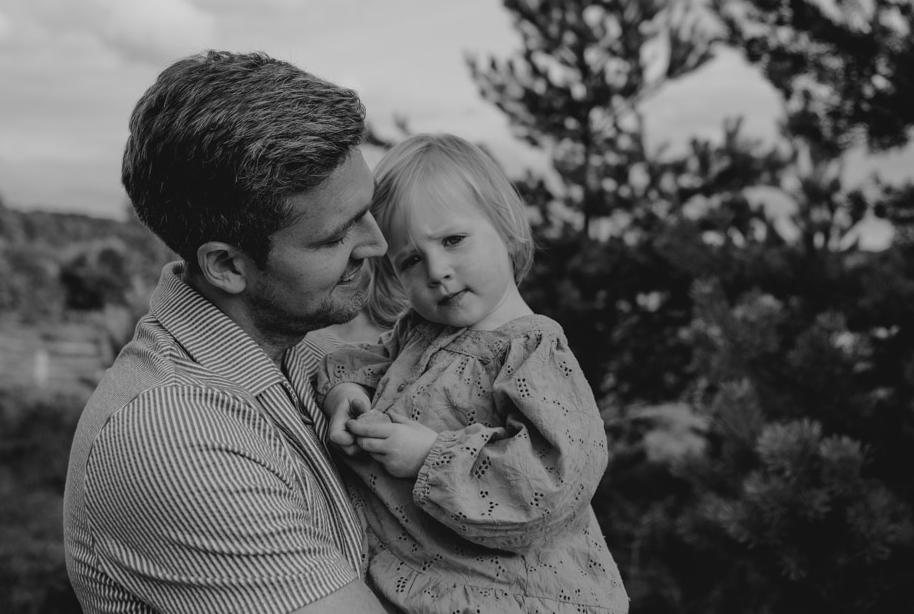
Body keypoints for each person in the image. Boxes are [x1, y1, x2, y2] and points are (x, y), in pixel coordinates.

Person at [63, 50, 392, 614]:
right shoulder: (171, 436)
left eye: (369, 209)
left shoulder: (308, 350)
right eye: (335, 237)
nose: (378, 244)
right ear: (227, 266)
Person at [317, 133, 630, 614]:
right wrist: (345, 391)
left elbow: (552, 481)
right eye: (412, 259)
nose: (438, 270)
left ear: (505, 229)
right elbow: (363, 360)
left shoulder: (531, 350)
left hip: (514, 594)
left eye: (452, 240)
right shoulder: (420, 332)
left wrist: (431, 457)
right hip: (432, 583)